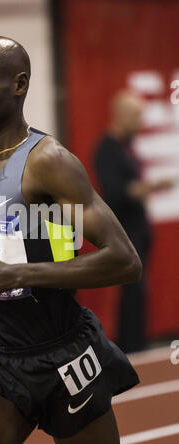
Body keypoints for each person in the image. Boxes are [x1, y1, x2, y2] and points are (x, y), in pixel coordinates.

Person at [0, 37, 142, 444]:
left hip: (62, 352)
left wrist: (17, 275)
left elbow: (124, 260)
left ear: (18, 85)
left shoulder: (48, 164)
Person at [93, 90, 172, 353]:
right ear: (121, 115)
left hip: (138, 229)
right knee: (131, 291)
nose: (140, 122)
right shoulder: (107, 149)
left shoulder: (128, 147)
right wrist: (151, 186)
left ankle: (136, 343)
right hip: (124, 231)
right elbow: (115, 192)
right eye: (137, 115)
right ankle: (130, 346)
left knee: (138, 292)